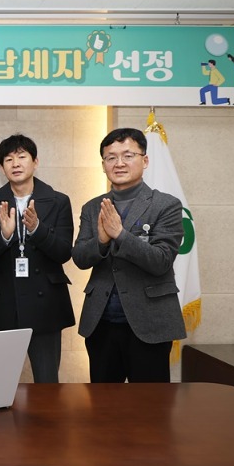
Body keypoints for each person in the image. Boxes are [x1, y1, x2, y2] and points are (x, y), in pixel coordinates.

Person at [72, 128, 186, 383]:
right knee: (103, 403)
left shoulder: (166, 205)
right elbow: (79, 257)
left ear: (144, 160)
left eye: (127, 155)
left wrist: (120, 235)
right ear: (103, 165)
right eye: (111, 157)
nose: (119, 163)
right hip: (101, 323)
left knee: (151, 404)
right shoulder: (92, 207)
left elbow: (161, 260)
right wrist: (102, 241)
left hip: (150, 323)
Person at [0, 134, 75, 383]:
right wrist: (4, 235)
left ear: (35, 162)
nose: (16, 163)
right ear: (2, 167)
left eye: (22, 157)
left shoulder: (58, 201)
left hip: (46, 304)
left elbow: (64, 252)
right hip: (3, 302)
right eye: (8, 159)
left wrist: (37, 230)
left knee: (47, 382)